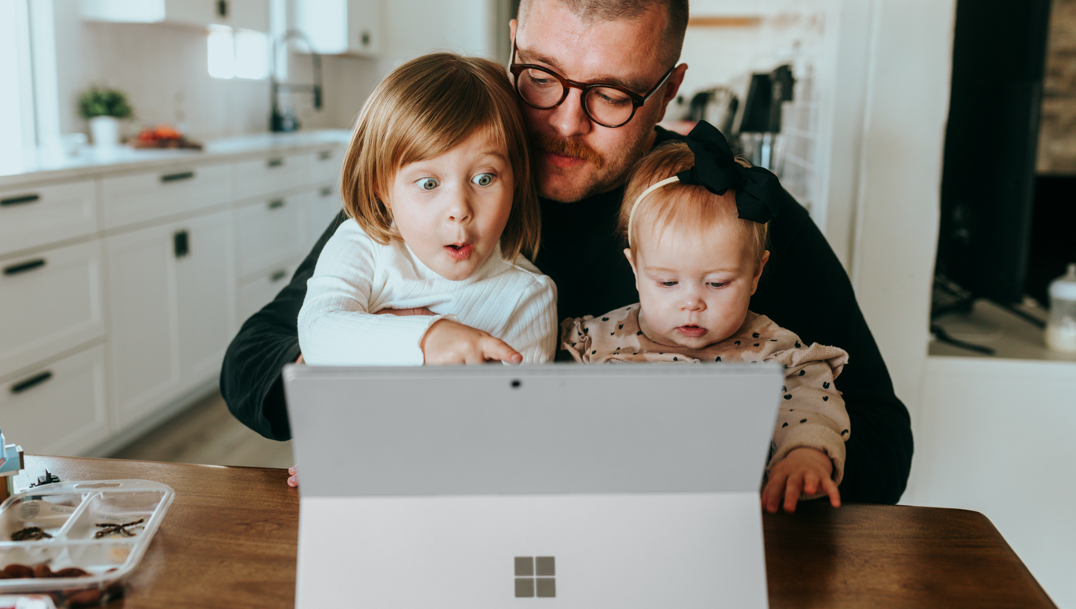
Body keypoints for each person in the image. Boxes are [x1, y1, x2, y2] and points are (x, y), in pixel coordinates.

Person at [222, 0, 913, 505]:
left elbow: (880, 431)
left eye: (611, 94)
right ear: (514, 44)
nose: (563, 122)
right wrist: (366, 388)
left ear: (668, 90)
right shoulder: (439, 191)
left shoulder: (725, 209)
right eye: (542, 77)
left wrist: (770, 457)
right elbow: (254, 360)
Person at [561, 123, 850, 513]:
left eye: (716, 283)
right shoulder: (592, 340)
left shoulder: (775, 355)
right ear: (634, 268)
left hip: (725, 522)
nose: (691, 303)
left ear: (755, 274)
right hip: (612, 518)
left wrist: (806, 457)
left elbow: (808, 411)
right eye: (666, 281)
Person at [297, 53, 556, 368]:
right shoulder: (361, 245)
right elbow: (317, 333)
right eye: (429, 184)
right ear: (382, 189)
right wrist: (429, 338)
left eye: (484, 179)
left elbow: (518, 412)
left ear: (516, 181)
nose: (459, 210)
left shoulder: (527, 297)